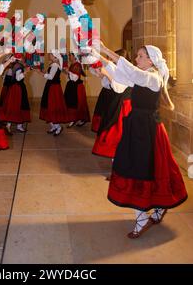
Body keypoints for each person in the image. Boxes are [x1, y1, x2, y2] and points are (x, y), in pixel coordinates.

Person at [96, 43, 188, 238]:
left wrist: (105, 50)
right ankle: (153, 210)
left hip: (147, 131)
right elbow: (121, 77)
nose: (136, 59)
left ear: (150, 60)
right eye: (137, 56)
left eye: (139, 56)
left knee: (142, 170)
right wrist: (96, 55)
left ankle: (144, 216)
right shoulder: (143, 75)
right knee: (134, 167)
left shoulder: (153, 78)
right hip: (136, 128)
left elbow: (132, 72)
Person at [38, 50, 69, 136]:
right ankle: (54, 126)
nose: (48, 55)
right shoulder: (53, 64)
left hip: (53, 88)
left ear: (54, 56)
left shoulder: (55, 65)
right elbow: (50, 75)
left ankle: (58, 127)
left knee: (52, 106)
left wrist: (41, 74)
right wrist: (44, 73)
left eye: (50, 54)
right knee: (49, 106)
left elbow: (51, 77)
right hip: (51, 87)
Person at [2, 55, 31, 133]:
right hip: (18, 88)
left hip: (14, 88)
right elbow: (18, 78)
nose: (25, 62)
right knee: (19, 105)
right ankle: (18, 126)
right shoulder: (19, 66)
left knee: (13, 105)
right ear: (20, 59)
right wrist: (25, 72)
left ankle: (10, 125)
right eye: (24, 60)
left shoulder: (16, 65)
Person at [64, 52, 90, 127]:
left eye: (70, 56)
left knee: (75, 103)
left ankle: (75, 119)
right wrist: (67, 71)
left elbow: (75, 78)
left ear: (74, 56)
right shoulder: (73, 64)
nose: (69, 57)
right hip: (72, 86)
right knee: (72, 103)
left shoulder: (77, 65)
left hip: (76, 87)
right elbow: (71, 76)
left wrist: (68, 71)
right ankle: (75, 118)